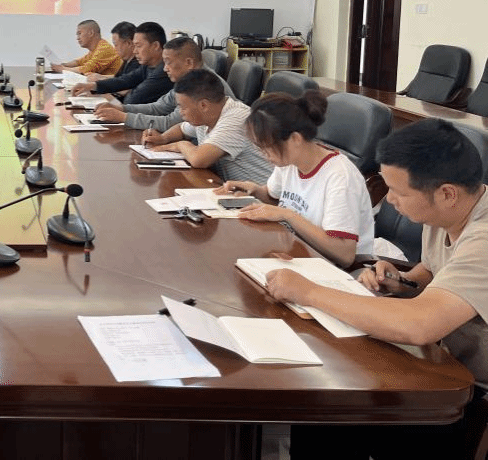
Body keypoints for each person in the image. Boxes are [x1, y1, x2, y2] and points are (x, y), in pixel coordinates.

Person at [265, 119, 488, 458]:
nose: (390, 200)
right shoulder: (449, 212)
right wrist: (404, 281)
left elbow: (419, 325)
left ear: (447, 193)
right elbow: (433, 268)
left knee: (337, 411)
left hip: (469, 384)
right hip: (442, 356)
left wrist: (307, 292)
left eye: (400, 192)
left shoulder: (483, 238)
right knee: (324, 404)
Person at [215, 91, 374, 267]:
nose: (264, 155)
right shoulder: (289, 162)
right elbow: (273, 197)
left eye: (267, 147)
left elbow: (344, 254)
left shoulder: (340, 177)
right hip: (298, 251)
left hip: (337, 268)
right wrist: (254, 190)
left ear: (295, 139)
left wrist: (288, 215)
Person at [143, 68, 273, 182]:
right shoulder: (207, 116)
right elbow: (181, 129)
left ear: (203, 105)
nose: (181, 112)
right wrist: (163, 138)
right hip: (234, 191)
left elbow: (199, 159)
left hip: (262, 197)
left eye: (183, 107)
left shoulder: (236, 118)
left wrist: (179, 145)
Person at [94, 37, 234, 131]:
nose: (165, 68)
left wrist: (123, 117)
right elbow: (158, 107)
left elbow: (170, 123)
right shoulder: (189, 80)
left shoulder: (204, 85)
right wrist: (122, 108)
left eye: (168, 62)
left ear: (189, 63)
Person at [72, 21, 170, 105]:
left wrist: (104, 95)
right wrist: (92, 86)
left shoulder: (164, 70)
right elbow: (124, 80)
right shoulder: (147, 66)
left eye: (138, 46)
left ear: (155, 46)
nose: (135, 51)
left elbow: (131, 100)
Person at [50, 19, 122, 76]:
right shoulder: (95, 48)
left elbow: (86, 69)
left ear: (91, 33)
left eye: (79, 33)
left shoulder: (104, 49)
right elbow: (79, 62)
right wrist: (63, 64)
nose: (78, 38)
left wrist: (62, 69)